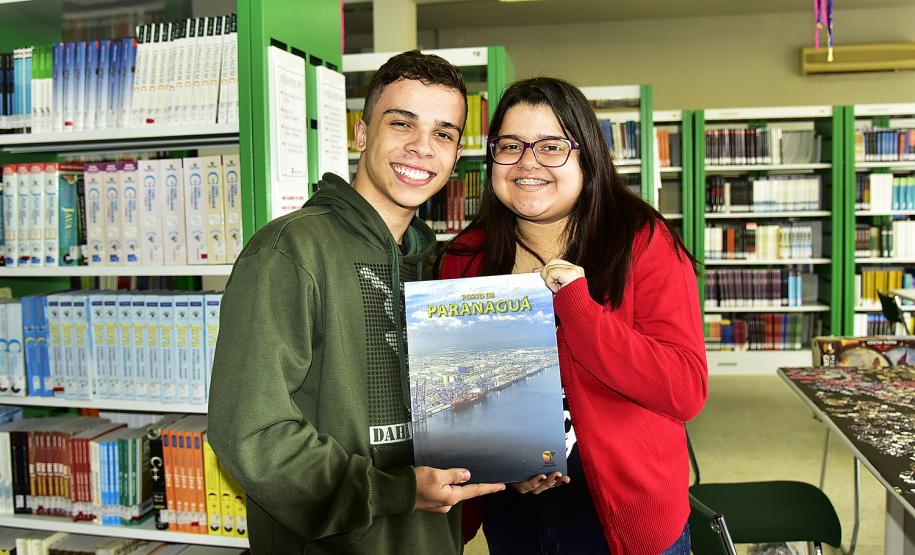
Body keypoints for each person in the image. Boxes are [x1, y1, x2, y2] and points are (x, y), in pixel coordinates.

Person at [207, 50, 504, 555]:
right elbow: (252, 435)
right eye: (402, 123)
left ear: (457, 157)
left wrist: (511, 461)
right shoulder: (288, 251)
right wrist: (396, 490)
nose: (421, 148)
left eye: (443, 134)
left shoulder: (437, 270)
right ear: (362, 134)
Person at [438, 77, 708, 555]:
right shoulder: (468, 256)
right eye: (510, 146)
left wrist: (580, 310)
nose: (528, 162)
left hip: (626, 520)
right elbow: (458, 394)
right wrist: (499, 461)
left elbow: (685, 390)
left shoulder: (642, 243)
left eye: (551, 146)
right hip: (514, 518)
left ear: (586, 157)